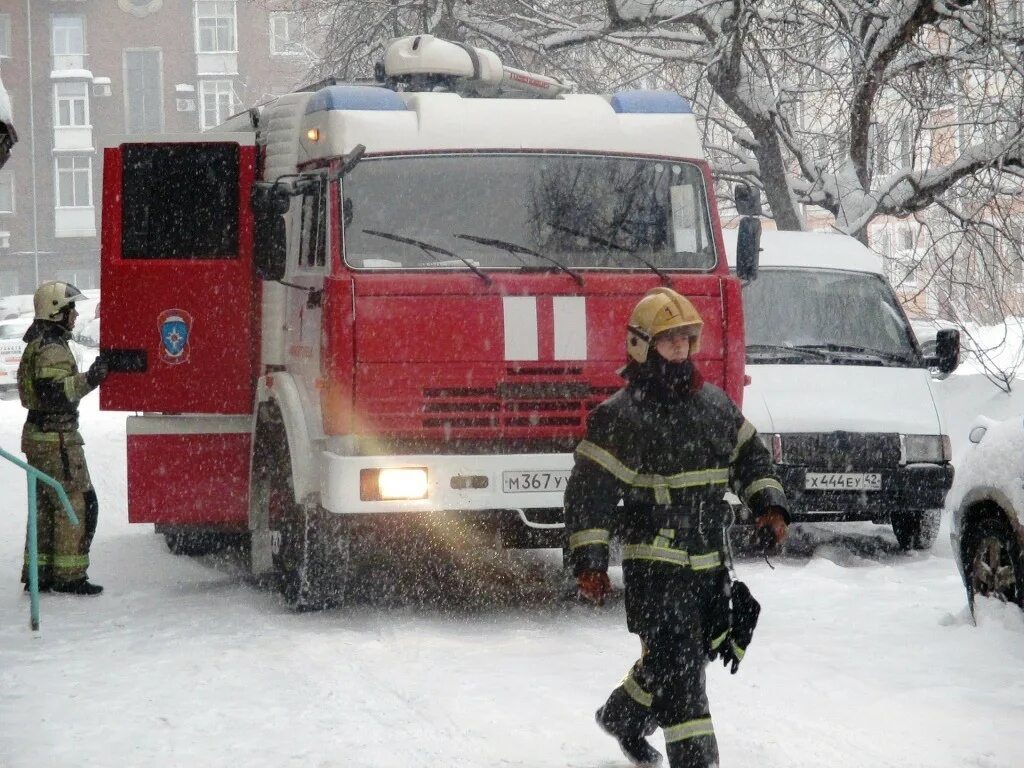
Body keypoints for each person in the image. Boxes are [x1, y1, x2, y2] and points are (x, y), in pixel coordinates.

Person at [564, 287, 788, 768]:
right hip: (656, 568)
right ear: (642, 347)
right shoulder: (621, 417)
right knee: (684, 679)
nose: (682, 350)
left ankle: (624, 716)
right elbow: (590, 494)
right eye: (670, 342)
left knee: (679, 660)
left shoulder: (714, 406)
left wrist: (769, 503)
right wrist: (589, 562)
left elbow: (751, 458)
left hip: (709, 563)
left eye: (687, 340)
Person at [18, 280, 108, 595]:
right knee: (77, 503)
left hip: (40, 438)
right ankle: (69, 576)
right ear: (57, 311)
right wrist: (93, 377)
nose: (75, 314)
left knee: (45, 506)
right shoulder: (52, 348)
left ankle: (39, 572)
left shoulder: (40, 342)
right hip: (56, 440)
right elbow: (56, 394)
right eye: (71, 308)